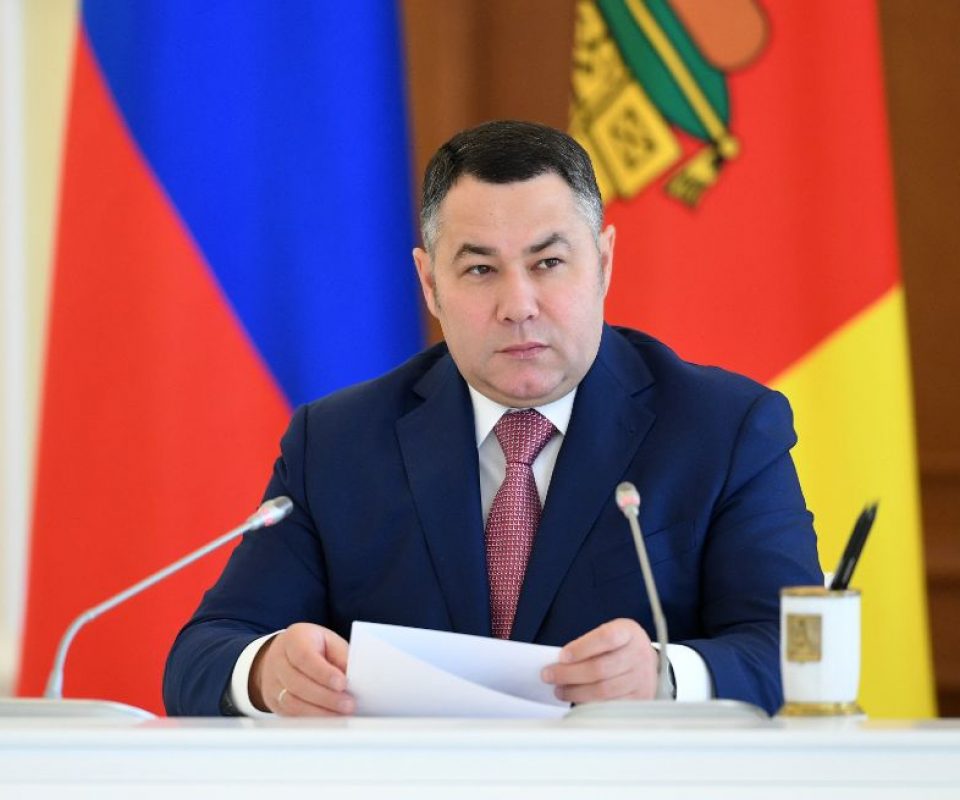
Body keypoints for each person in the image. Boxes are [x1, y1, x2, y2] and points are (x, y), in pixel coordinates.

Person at [163, 120, 822, 717]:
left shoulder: (725, 429)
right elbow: (204, 655)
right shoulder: (337, 444)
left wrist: (666, 676)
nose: (518, 304)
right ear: (430, 284)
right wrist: (265, 671)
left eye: (548, 263)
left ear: (603, 263)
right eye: (480, 269)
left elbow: (797, 652)